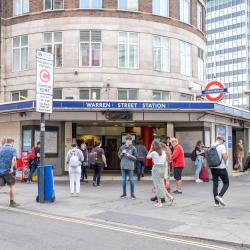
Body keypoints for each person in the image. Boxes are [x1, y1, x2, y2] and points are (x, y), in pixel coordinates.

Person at [147, 140, 174, 208]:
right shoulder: (164, 152)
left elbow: (147, 157)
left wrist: (150, 148)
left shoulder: (153, 153)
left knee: (157, 186)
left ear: (153, 146)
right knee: (161, 185)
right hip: (162, 168)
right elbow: (165, 162)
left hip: (156, 168)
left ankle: (160, 202)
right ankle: (170, 197)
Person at [210, 137, 229, 207]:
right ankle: (220, 196)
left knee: (215, 184)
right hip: (221, 168)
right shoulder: (222, 146)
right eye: (223, 141)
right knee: (226, 183)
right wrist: (227, 155)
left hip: (213, 168)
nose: (223, 143)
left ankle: (216, 203)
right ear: (221, 141)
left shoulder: (211, 145)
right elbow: (225, 157)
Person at [0, 138, 19, 207]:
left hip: (0, 171)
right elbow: (14, 159)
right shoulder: (13, 149)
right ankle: (12, 202)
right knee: (12, 186)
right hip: (8, 171)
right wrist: (11, 168)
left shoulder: (1, 149)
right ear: (12, 142)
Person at [118, 134, 137, 199]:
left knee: (131, 180)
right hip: (123, 166)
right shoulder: (121, 147)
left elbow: (135, 158)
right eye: (128, 140)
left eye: (130, 140)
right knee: (123, 180)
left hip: (130, 167)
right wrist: (122, 153)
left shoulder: (133, 148)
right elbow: (119, 157)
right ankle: (124, 193)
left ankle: (132, 194)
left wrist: (129, 155)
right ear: (126, 140)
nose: (129, 142)